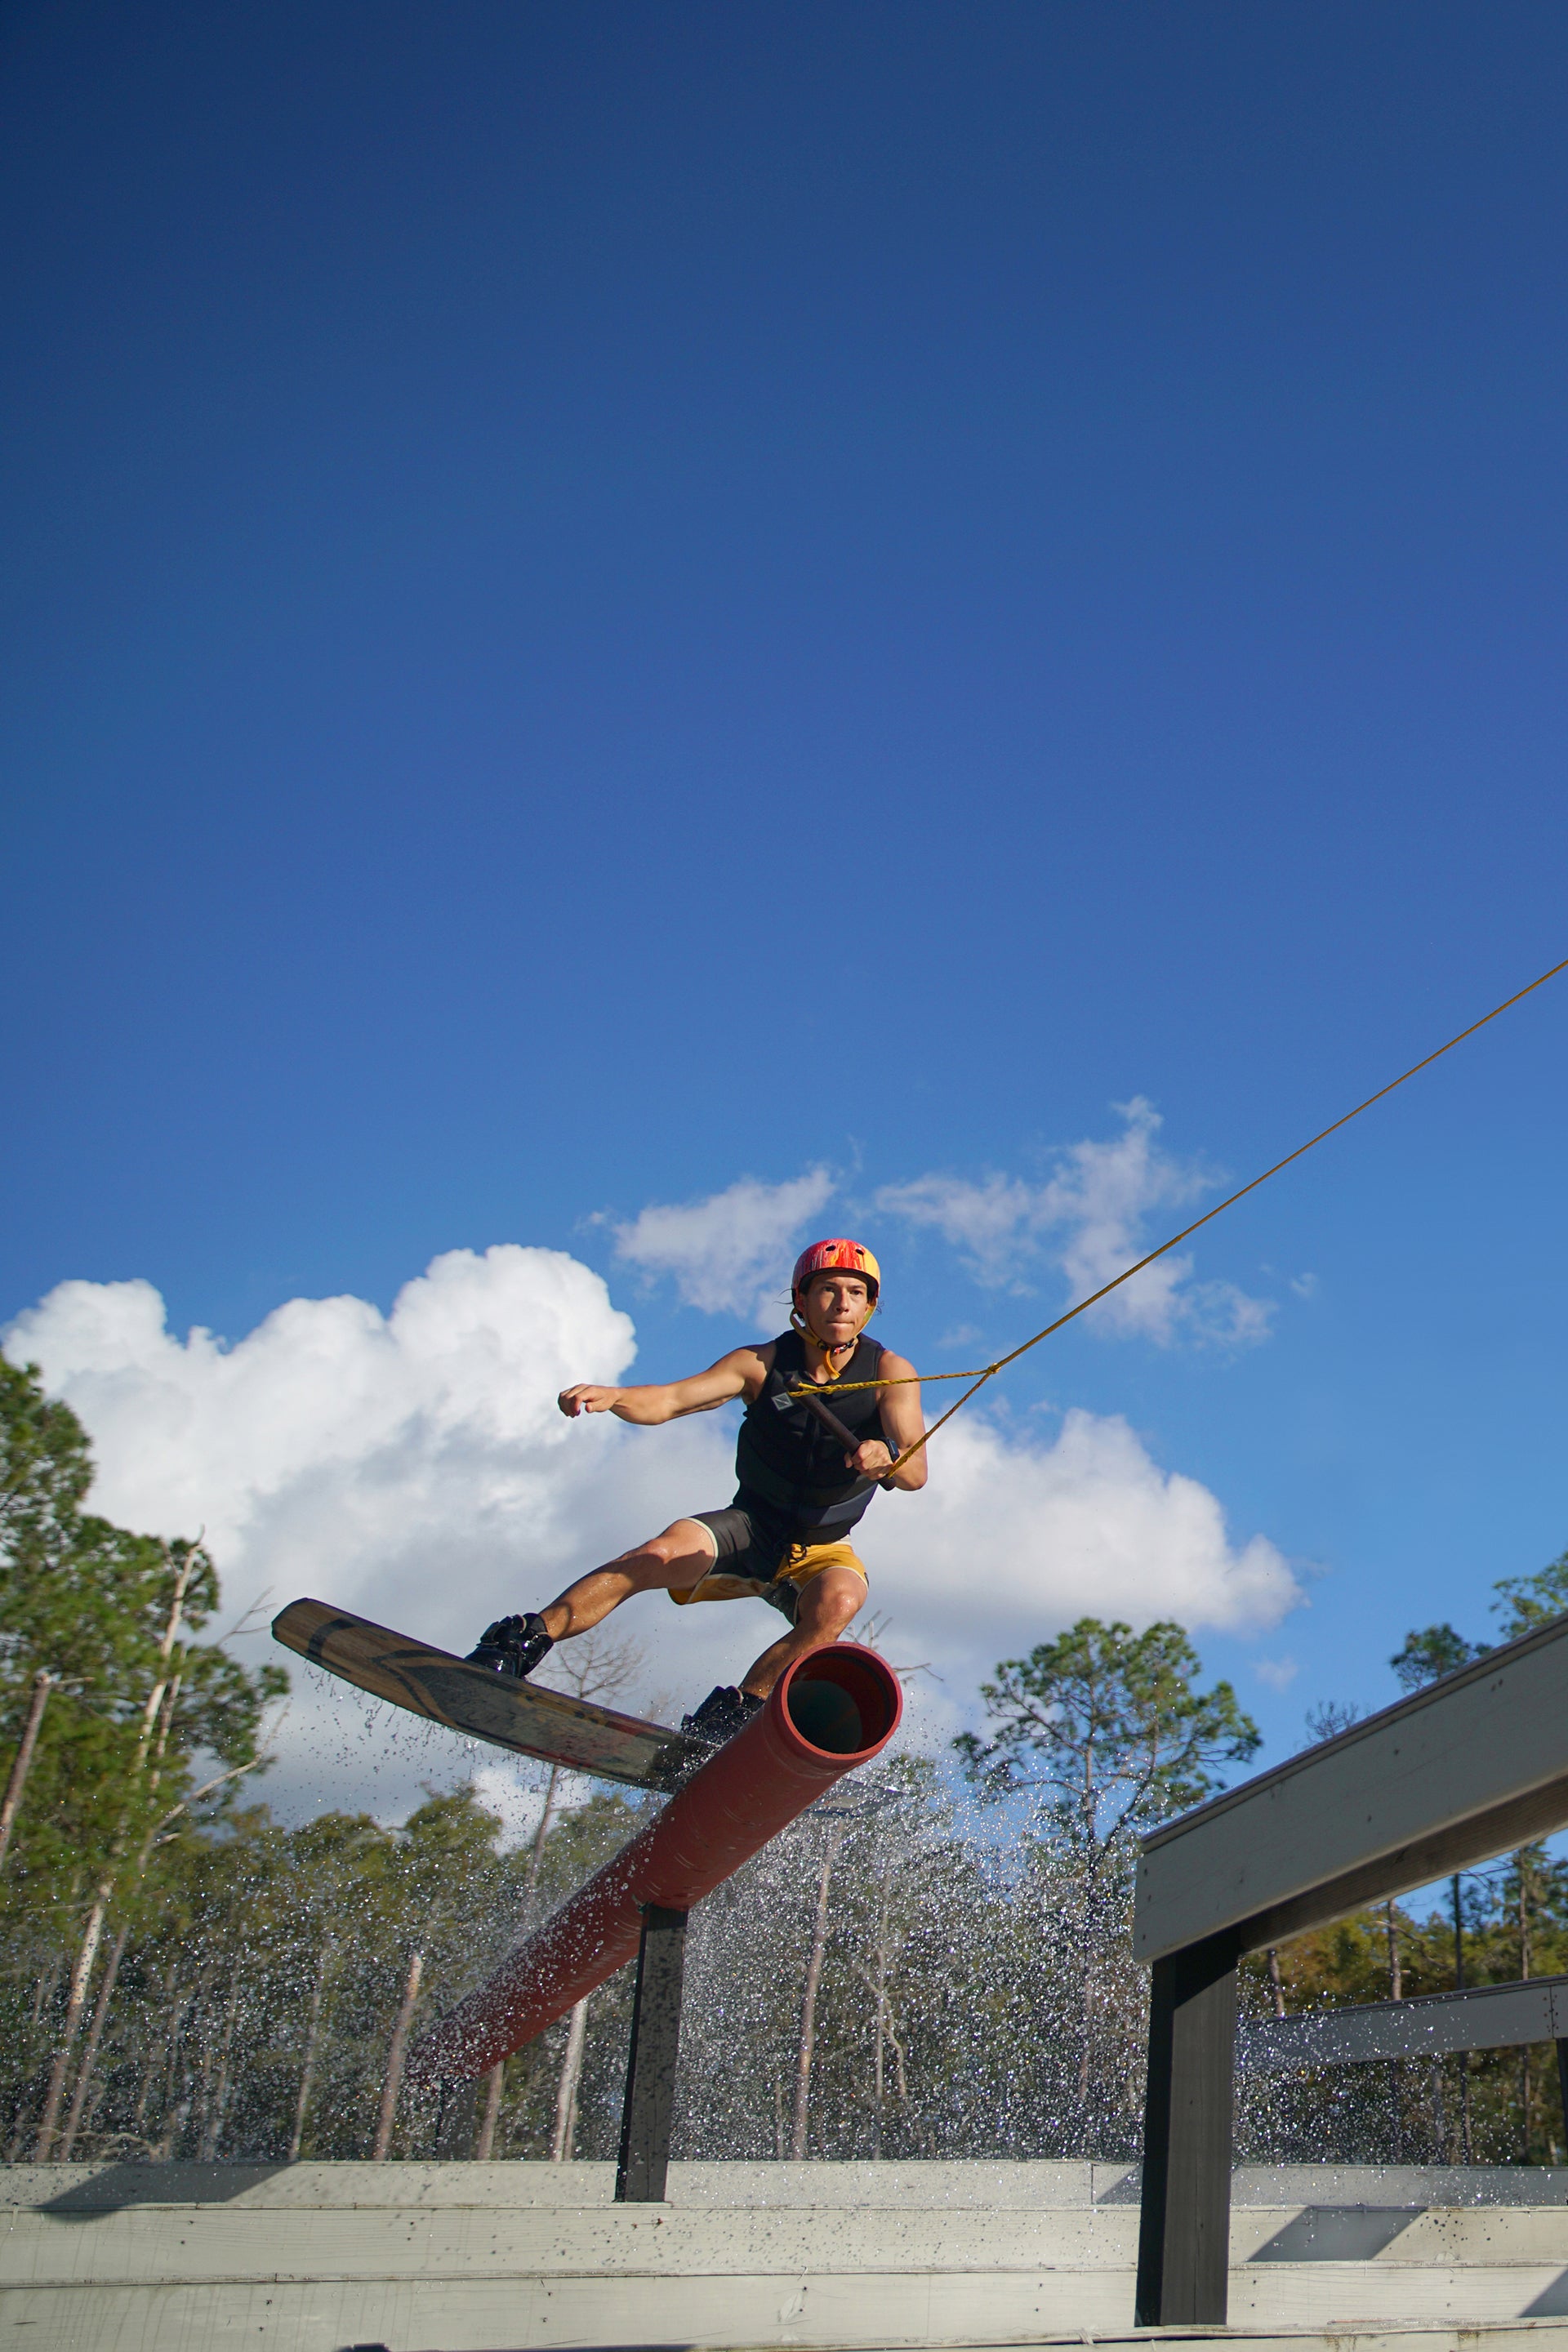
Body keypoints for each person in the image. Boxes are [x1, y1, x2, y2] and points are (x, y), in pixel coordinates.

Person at [468, 1238, 926, 1753]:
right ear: (801, 1300)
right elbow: (670, 1400)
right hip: (750, 1526)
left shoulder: (891, 1371)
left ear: (869, 1306)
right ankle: (519, 1643)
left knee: (840, 1601)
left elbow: (915, 1471)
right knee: (655, 1555)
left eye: (855, 1292)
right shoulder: (760, 1363)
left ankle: (733, 1721)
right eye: (828, 1290)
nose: (842, 1303)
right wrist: (617, 1396)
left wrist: (887, 1459)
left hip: (823, 1546)